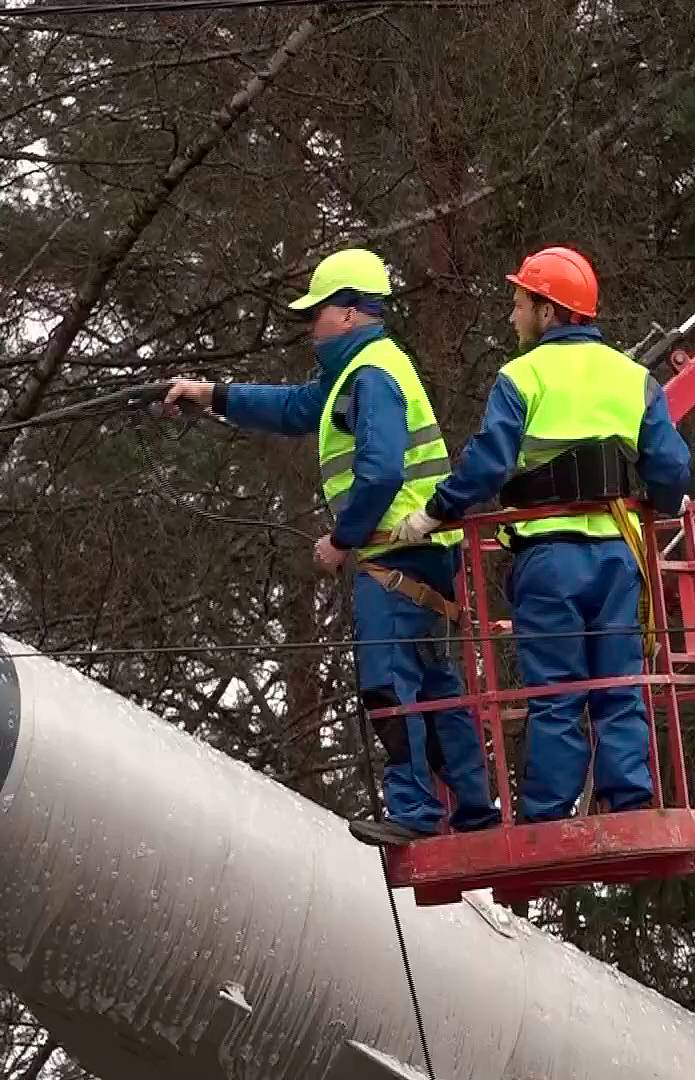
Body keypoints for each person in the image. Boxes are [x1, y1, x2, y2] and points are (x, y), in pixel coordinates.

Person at [163, 247, 500, 845]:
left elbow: (379, 474)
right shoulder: (363, 371)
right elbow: (294, 407)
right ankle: (474, 812)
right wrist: (209, 393)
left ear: (348, 313)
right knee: (435, 686)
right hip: (423, 556)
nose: (309, 325)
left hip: (392, 557)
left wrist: (341, 541)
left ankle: (416, 816)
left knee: (388, 683)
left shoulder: (370, 377)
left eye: (316, 311)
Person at [394, 245, 692, 823]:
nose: (512, 315)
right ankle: (629, 801)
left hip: (549, 559)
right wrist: (664, 502)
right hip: (616, 554)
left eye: (518, 303)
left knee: (555, 692)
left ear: (547, 310)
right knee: (619, 683)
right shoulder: (634, 379)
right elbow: (672, 470)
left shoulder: (521, 376)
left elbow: (486, 464)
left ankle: (550, 813)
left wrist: (434, 512)